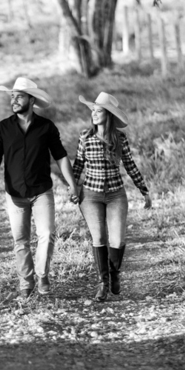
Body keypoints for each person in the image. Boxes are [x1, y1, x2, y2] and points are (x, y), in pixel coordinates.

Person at [0, 76, 79, 298]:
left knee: (47, 233)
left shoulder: (46, 127)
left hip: (41, 192)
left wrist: (72, 184)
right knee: (21, 241)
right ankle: (26, 284)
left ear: (31, 99)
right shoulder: (2, 128)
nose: (14, 100)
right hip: (14, 194)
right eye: (12, 97)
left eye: (19, 96)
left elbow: (61, 157)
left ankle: (42, 275)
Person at [70, 91, 151, 301]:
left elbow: (130, 165)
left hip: (116, 194)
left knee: (118, 239)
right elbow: (78, 165)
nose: (94, 114)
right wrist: (72, 188)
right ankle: (103, 283)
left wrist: (144, 190)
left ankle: (115, 273)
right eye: (93, 111)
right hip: (90, 194)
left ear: (108, 115)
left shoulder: (119, 139)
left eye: (99, 111)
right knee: (98, 238)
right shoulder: (85, 137)